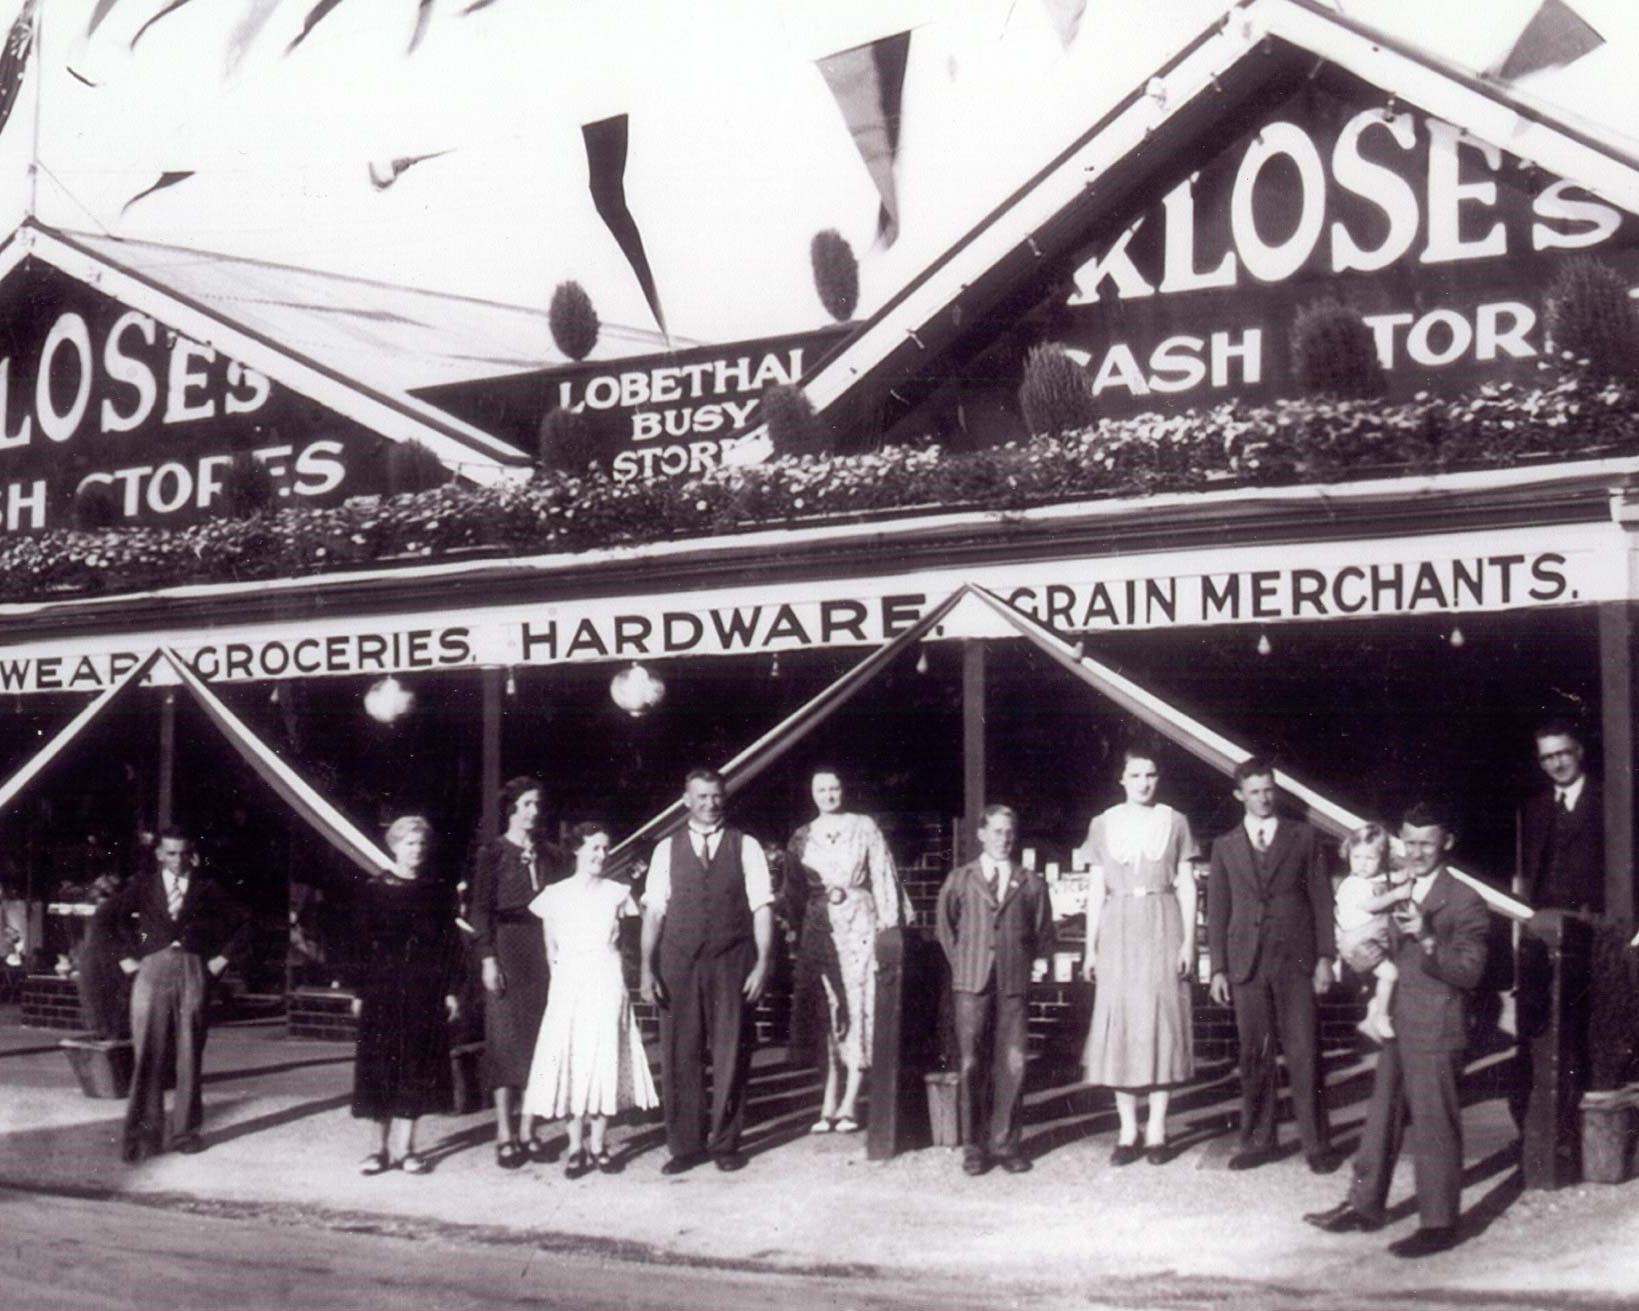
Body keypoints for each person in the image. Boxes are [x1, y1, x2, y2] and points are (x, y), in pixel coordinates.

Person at [1304, 801, 1489, 1259]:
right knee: (1381, 1115)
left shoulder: (1466, 899)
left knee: (1434, 1125)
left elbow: (1469, 972)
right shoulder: (1394, 885)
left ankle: (1440, 1222)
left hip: (1437, 1025)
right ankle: (1364, 1205)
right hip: (1399, 1020)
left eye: (1426, 843)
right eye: (1409, 843)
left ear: (1447, 843)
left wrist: (1427, 937)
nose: (1416, 852)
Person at [640, 768, 774, 1174]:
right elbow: (654, 912)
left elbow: (762, 907)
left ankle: (726, 1142)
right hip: (678, 960)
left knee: (732, 1050)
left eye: (716, 796)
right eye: (701, 797)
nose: (710, 804)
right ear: (686, 800)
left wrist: (763, 962)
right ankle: (685, 1145)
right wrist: (647, 968)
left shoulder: (745, 845)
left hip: (732, 959)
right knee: (681, 1051)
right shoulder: (666, 849)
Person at [1206, 759, 1337, 1173]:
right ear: (1239, 795)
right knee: (1255, 1055)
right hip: (1247, 963)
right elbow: (1218, 911)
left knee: (1304, 1051)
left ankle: (1316, 1145)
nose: (1263, 798)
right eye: (1255, 791)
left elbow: (1321, 900)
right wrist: (1219, 969)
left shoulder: (1304, 837)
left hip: (1295, 959)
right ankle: (1259, 1141)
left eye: (1268, 790)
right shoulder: (1225, 846)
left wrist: (1325, 958)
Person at [1079, 742, 1197, 1166]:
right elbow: (1096, 888)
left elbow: (1186, 884)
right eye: (1135, 775)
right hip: (1118, 925)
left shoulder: (1174, 822)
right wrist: (1089, 949)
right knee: (1122, 1023)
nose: (1144, 783)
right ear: (1122, 780)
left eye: (1151, 775)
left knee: (1163, 1020)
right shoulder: (1103, 824)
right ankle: (1128, 1131)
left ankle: (1158, 1131)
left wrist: (1189, 942)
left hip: (1163, 922)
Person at [522, 823, 658, 1177]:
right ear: (577, 851)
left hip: (606, 980)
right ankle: (576, 1146)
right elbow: (550, 947)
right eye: (594, 848)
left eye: (605, 848)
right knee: (571, 1060)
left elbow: (629, 944)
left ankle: (599, 1144)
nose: (601, 855)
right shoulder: (554, 895)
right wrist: (562, 982)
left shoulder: (617, 893)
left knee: (602, 1058)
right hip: (568, 984)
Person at [112, 828, 249, 1162]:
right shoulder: (142, 886)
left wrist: (220, 959)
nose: (178, 860)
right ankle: (145, 1134)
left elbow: (244, 924)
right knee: (148, 1055)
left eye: (184, 853)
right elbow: (112, 922)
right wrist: (131, 957)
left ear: (193, 854)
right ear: (159, 854)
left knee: (189, 1054)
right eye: (171, 853)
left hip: (193, 970)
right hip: (152, 970)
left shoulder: (207, 889)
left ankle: (184, 1132)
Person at [784, 768, 907, 1134]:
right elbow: (793, 892)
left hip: (859, 924)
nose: (829, 794)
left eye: (835, 787)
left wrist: (889, 926)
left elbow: (884, 874)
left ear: (843, 790)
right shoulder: (802, 836)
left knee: (857, 1005)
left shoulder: (863, 826)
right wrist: (799, 929)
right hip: (821, 928)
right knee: (828, 1007)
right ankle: (828, 1099)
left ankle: (852, 1100)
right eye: (821, 789)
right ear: (812, 794)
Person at [936, 804, 1054, 1176]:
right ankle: (974, 1147)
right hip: (971, 984)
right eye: (997, 831)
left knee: (1014, 1064)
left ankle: (1006, 1144)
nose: (1004, 839)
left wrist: (1025, 965)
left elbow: (1042, 933)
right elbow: (945, 927)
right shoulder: (961, 878)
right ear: (981, 834)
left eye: (1009, 832)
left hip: (1013, 984)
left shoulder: (1030, 881)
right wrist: (964, 964)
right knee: (971, 1063)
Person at [352, 815, 464, 1176]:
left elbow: (449, 945)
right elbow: (360, 945)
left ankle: (406, 1148)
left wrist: (450, 990)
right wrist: (358, 991)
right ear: (394, 847)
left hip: (424, 990)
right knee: (380, 1066)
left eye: (420, 844)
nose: (415, 851)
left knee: (415, 1065)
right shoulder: (375, 888)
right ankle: (377, 1150)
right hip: (382, 989)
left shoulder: (437, 890)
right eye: (408, 844)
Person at [1514, 719, 1603, 1165]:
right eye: (1547, 757)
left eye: (1563, 753)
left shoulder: (1608, 799)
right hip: (1545, 937)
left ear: (1579, 751)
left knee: (1587, 1035)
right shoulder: (1535, 808)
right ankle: (1539, 1129)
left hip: (1594, 935)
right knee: (1540, 1034)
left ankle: (1578, 1136)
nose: (1556, 764)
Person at [471, 776, 561, 1169]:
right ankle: (504, 1133)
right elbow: (479, 910)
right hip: (506, 947)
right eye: (526, 805)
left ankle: (530, 1129)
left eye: (538, 805)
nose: (534, 812)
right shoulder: (492, 853)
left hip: (541, 950)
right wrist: (488, 958)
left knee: (537, 1044)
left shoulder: (550, 854)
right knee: (505, 1041)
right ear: (511, 809)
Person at [1333, 824, 1411, 1043]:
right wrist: (1397, 894)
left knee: (1381, 983)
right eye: (1357, 857)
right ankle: (1381, 1018)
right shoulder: (1353, 883)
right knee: (1390, 975)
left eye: (1370, 858)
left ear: (1382, 859)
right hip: (1358, 942)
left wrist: (1406, 874)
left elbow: (1391, 878)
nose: (1362, 864)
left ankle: (1371, 1016)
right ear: (1348, 856)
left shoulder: (1374, 879)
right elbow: (1372, 905)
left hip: (1372, 940)